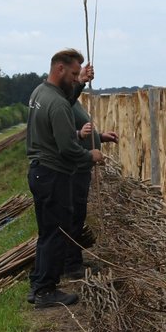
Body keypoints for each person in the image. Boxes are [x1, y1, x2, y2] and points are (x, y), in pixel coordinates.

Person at [25, 49, 103, 308]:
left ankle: (38, 284)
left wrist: (80, 82)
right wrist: (90, 155)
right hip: (52, 174)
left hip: (39, 171)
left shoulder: (40, 92)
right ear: (59, 69)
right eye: (72, 73)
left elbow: (67, 96)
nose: (75, 78)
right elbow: (67, 149)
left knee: (47, 232)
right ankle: (46, 291)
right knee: (56, 233)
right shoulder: (57, 104)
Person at [64, 94, 119, 280]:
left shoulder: (73, 101)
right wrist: (87, 151)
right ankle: (71, 265)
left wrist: (100, 136)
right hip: (75, 169)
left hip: (81, 168)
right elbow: (65, 137)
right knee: (73, 217)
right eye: (74, 75)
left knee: (78, 217)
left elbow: (82, 131)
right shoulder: (63, 103)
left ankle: (74, 260)